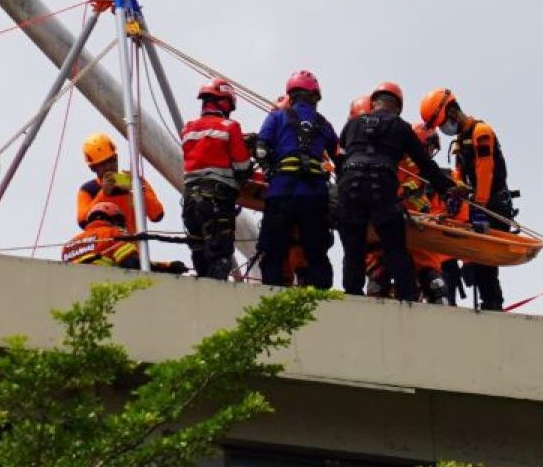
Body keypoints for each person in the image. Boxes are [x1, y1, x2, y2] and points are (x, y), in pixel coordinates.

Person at [338, 82, 457, 301]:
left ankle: (352, 299)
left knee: (353, 251)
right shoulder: (401, 127)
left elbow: (340, 158)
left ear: (373, 103)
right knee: (396, 250)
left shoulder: (352, 125)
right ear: (399, 108)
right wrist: (448, 188)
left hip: (350, 188)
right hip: (381, 187)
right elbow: (425, 164)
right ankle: (408, 301)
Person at [420, 87, 517, 311]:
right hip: (477, 204)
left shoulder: (481, 132)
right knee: (478, 261)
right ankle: (489, 303)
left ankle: (493, 305)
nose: (444, 128)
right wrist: (455, 193)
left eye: (442, 122)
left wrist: (480, 206)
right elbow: (458, 173)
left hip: (494, 205)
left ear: (452, 111)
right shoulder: (459, 140)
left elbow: (486, 172)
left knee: (485, 263)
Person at [254, 71, 338, 289]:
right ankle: (321, 298)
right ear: (314, 97)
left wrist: (271, 173)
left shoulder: (277, 117)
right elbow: (339, 156)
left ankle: (271, 296)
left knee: (273, 250)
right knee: (316, 252)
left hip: (281, 191)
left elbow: (261, 149)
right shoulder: (323, 123)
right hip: (314, 195)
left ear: (291, 96)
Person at [180, 78, 252, 279]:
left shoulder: (188, 129)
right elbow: (242, 166)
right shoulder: (230, 127)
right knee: (220, 256)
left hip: (190, 203)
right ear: (226, 102)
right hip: (216, 203)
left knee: (200, 256)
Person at [77, 133, 165, 233]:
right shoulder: (88, 189)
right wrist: (103, 194)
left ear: (116, 158)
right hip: (105, 245)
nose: (109, 167)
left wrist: (137, 190)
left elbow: (157, 215)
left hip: (131, 245)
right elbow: (83, 222)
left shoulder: (133, 181)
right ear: (93, 168)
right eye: (102, 164)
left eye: (111, 161)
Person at [61, 202, 142, 269]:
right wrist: (152, 266)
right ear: (116, 220)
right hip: (103, 283)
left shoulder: (67, 246)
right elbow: (130, 263)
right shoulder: (113, 233)